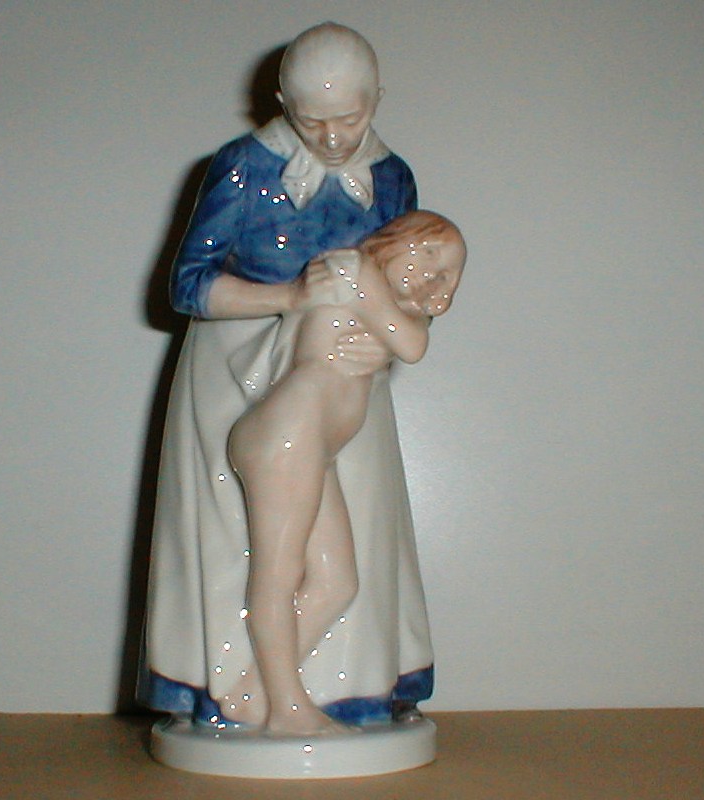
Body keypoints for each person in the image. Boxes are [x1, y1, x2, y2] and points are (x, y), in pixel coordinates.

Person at [139, 22, 434, 731]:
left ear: (378, 100)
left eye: (350, 119)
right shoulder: (243, 166)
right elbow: (188, 285)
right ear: (281, 105)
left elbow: (407, 292)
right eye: (312, 121)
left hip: (342, 369)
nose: (332, 138)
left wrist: (382, 343)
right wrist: (290, 296)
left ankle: (326, 688)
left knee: (352, 540)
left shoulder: (392, 176)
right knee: (243, 540)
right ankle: (242, 693)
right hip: (239, 359)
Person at [227, 211, 465, 734]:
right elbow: (412, 344)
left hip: (314, 445)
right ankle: (288, 709)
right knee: (279, 574)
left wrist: (415, 314)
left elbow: (403, 330)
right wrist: (407, 323)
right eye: (428, 253)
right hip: (289, 432)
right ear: (396, 240)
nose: (432, 274)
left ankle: (251, 696)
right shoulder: (352, 268)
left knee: (337, 582)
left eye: (448, 272)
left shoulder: (372, 295)